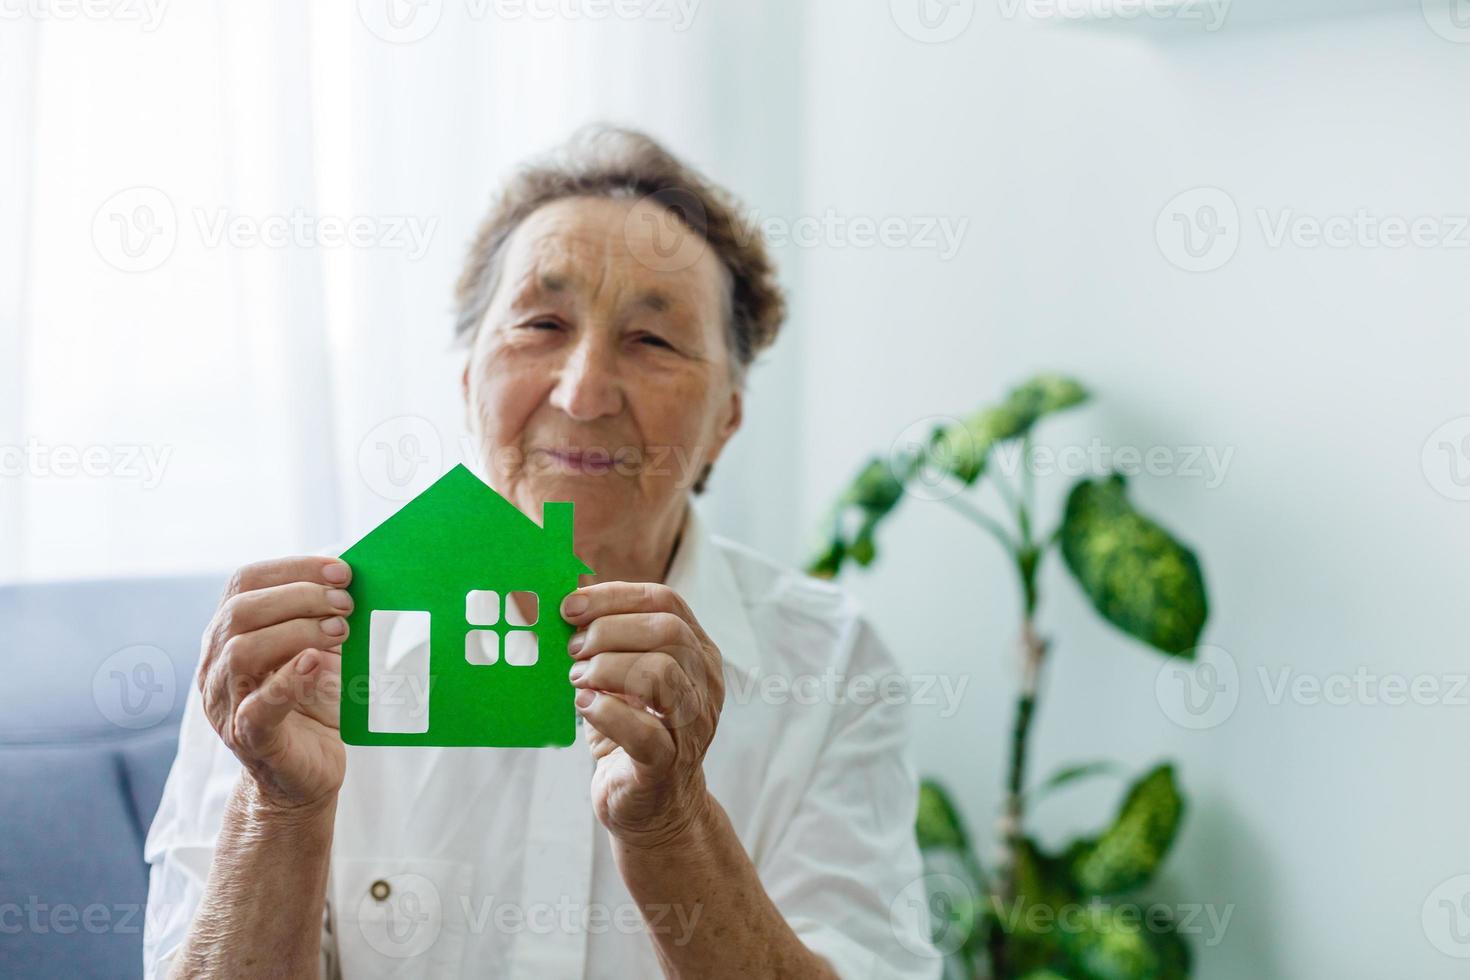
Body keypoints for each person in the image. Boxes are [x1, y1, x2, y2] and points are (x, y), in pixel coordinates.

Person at [143, 125, 938, 979]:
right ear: (467, 382)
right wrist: (280, 811)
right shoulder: (290, 655)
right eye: (540, 324)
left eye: (653, 341)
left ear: (726, 422)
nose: (584, 391)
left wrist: (673, 829)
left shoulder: (832, 668)